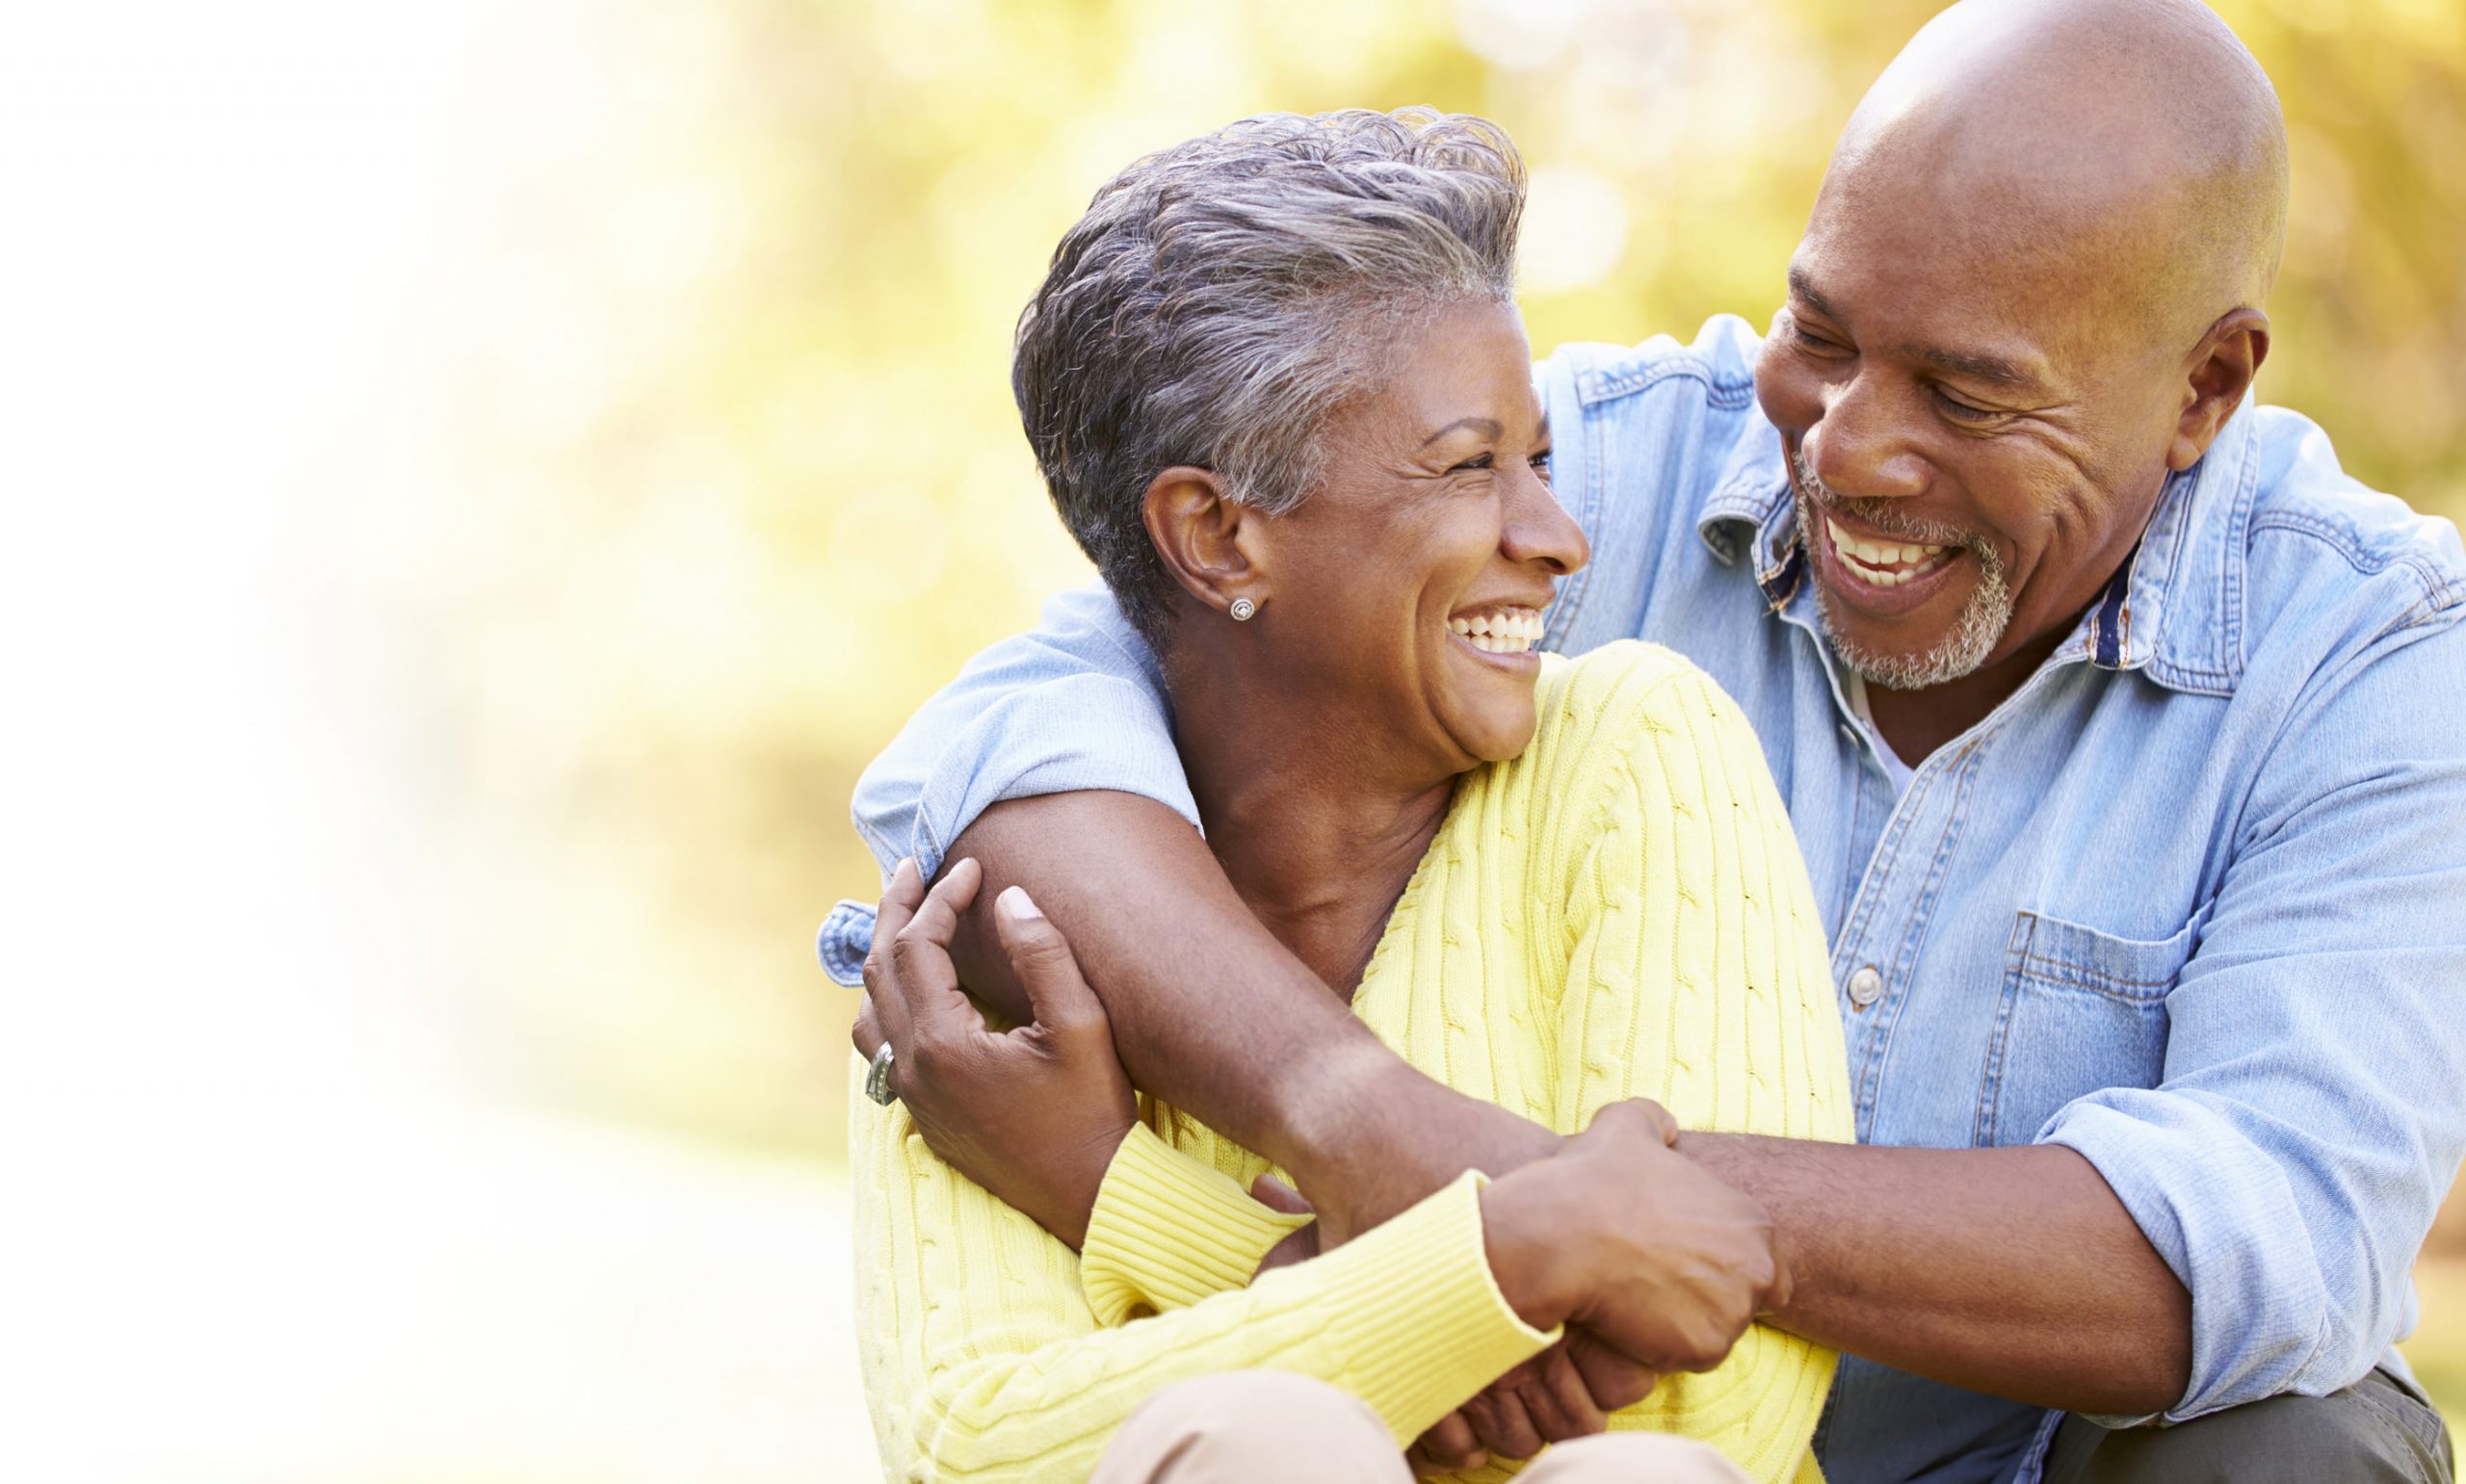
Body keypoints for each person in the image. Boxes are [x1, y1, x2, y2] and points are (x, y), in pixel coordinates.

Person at [822, 0, 2466, 1479]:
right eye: (1822, 332)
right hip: (1558, 1444)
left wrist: (1538, 1220)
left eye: (1968, 396)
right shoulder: (1593, 470)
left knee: (2299, 1448)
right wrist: (1372, 1125)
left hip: (2022, 1459)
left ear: (2206, 386)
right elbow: (1022, 735)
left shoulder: (2379, 655)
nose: (1854, 451)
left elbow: (2260, 1241)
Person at [840, 109, 1852, 1483]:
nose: (1558, 539)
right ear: (1217, 535)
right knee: (1263, 1445)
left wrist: (1134, 1205)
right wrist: (1507, 1259)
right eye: (1467, 466)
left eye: (1539, 460)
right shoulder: (988, 934)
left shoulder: (1636, 747)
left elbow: (1710, 1404)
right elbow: (980, 1444)